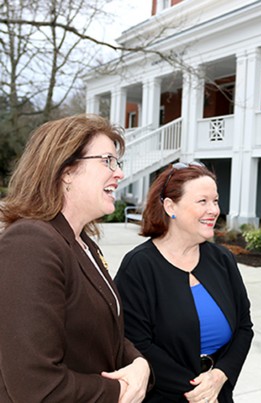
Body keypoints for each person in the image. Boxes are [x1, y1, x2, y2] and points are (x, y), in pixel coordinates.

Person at [0, 114, 151, 402]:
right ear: (66, 170)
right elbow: (37, 387)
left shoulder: (83, 244)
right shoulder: (30, 243)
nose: (118, 173)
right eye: (107, 160)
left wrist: (139, 365)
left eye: (117, 162)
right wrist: (120, 391)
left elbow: (107, 332)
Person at [114, 161, 253, 403]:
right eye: (203, 201)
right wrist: (197, 391)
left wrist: (220, 376)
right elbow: (136, 343)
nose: (214, 210)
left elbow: (244, 327)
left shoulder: (222, 260)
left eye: (216, 201)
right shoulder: (139, 266)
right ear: (170, 206)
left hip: (218, 394)